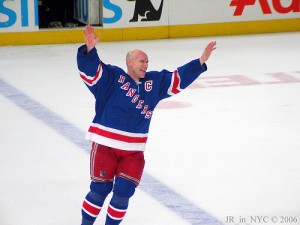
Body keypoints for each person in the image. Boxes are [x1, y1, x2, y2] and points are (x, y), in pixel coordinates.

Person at [77, 25, 216, 225]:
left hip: (133, 150)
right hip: (105, 145)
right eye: (142, 61)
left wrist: (200, 61)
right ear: (129, 62)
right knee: (100, 190)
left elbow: (177, 78)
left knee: (124, 191)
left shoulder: (154, 82)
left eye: (147, 62)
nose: (145, 65)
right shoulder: (112, 76)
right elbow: (90, 71)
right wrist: (90, 50)